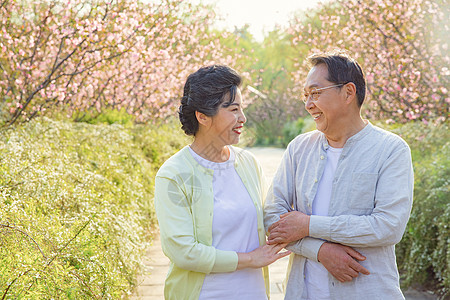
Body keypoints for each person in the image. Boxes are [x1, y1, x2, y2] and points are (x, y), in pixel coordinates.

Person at [264, 52, 414, 300]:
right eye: (305, 96)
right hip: (303, 293)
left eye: (315, 93)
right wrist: (320, 250)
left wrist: (308, 225)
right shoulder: (299, 148)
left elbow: (388, 226)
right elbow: (273, 218)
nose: (308, 104)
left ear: (348, 92)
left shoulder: (391, 150)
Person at [154, 65, 290, 300]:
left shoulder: (248, 163)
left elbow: (270, 219)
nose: (243, 119)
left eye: (242, 109)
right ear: (202, 116)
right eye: (233, 109)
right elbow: (183, 251)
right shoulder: (174, 174)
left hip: (253, 293)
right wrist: (249, 259)